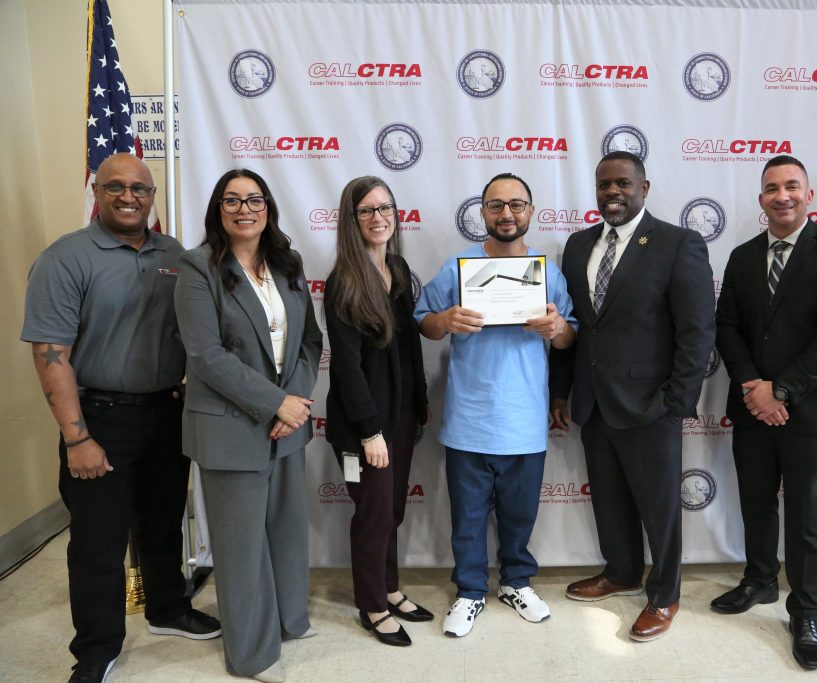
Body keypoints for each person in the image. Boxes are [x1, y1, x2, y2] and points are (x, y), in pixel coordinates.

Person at [21, 153, 221, 683]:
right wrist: (76, 438)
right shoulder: (65, 259)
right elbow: (50, 354)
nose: (128, 197)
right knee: (98, 542)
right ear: (97, 192)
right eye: (115, 187)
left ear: (152, 196)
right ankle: (96, 647)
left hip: (167, 414)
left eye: (139, 188)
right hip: (97, 420)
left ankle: (168, 609)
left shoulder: (176, 255)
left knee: (163, 525)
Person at [550, 151, 716, 642]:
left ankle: (664, 595)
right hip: (594, 401)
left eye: (623, 183)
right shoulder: (578, 245)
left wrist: (677, 402)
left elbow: (697, 332)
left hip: (652, 405)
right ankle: (621, 572)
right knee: (608, 498)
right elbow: (575, 326)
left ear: (644, 187)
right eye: (604, 184)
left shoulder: (678, 243)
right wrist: (561, 391)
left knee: (659, 510)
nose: (612, 192)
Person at [712, 155, 817, 669]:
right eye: (772, 188)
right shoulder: (742, 257)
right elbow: (727, 327)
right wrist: (754, 388)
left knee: (808, 520)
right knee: (756, 503)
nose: (783, 196)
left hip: (811, 413)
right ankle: (759, 580)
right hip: (752, 409)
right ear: (761, 199)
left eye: (792, 186)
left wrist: (781, 391)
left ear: (809, 195)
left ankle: (805, 611)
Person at [174, 169, 322, 683]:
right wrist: (276, 404)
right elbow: (206, 355)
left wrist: (294, 403)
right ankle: (253, 655)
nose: (244, 209)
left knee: (285, 531)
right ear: (218, 209)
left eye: (254, 199)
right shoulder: (197, 267)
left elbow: (310, 342)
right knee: (241, 548)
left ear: (268, 208)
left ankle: (288, 621)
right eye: (232, 200)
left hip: (287, 424)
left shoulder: (287, 263)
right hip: (231, 426)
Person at [414, 173, 576, 638]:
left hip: (524, 419)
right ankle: (469, 591)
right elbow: (423, 322)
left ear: (530, 211)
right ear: (482, 212)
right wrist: (445, 320)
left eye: (516, 204)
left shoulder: (548, 274)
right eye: (496, 205)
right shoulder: (456, 268)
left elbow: (570, 335)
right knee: (467, 519)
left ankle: (516, 583)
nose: (507, 214)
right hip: (469, 418)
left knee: (519, 516)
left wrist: (557, 330)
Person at [324, 177, 432, 647]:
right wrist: (370, 433)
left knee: (392, 511)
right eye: (366, 210)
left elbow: (409, 350)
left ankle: (389, 588)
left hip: (402, 416)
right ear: (351, 220)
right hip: (364, 427)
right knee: (373, 514)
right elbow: (346, 367)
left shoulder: (398, 268)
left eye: (385, 207)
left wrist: (419, 406)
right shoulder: (344, 281)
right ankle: (372, 605)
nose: (378, 217)